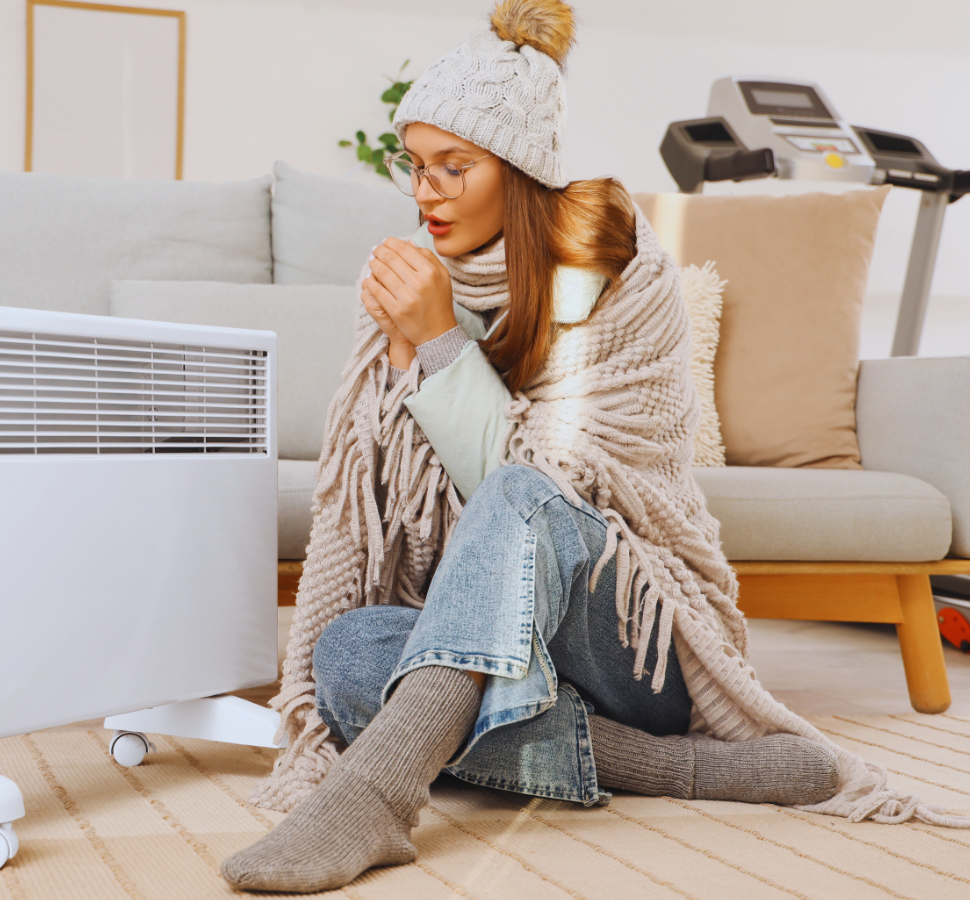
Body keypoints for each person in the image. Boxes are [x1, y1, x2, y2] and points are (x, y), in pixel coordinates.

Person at [222, 0, 966, 893]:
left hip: (629, 632)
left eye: (454, 167)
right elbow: (387, 503)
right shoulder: (411, 278)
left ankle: (376, 797)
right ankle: (682, 769)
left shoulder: (620, 267)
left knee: (522, 496)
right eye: (415, 166)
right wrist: (413, 344)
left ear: (520, 169)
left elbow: (549, 482)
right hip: (488, 629)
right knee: (347, 658)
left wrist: (441, 344)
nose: (426, 193)